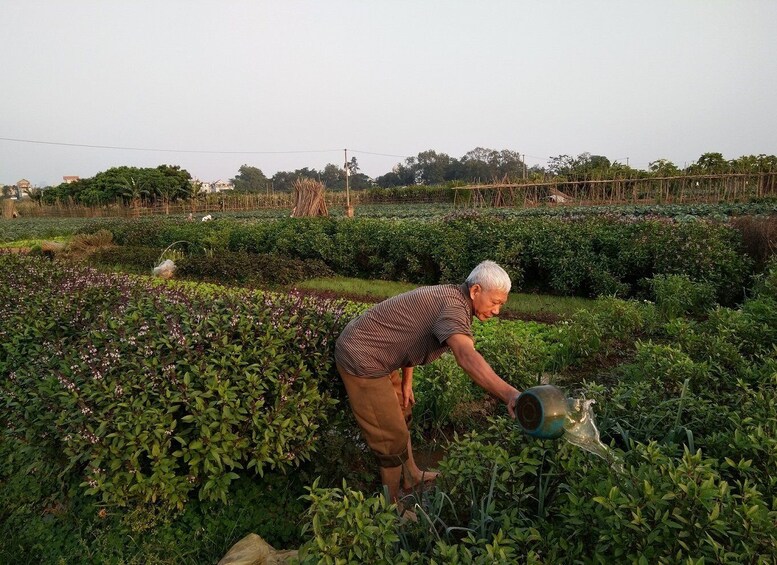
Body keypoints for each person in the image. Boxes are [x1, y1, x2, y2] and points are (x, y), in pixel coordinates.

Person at [334, 260, 521, 505]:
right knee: (391, 438)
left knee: (403, 410)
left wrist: (406, 382)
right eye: (495, 302)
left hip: (379, 352)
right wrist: (511, 395)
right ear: (476, 291)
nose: (497, 310)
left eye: (501, 305)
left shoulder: (451, 297)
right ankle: (391, 509)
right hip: (363, 358)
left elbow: (408, 333)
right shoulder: (453, 308)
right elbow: (466, 356)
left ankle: (411, 475)